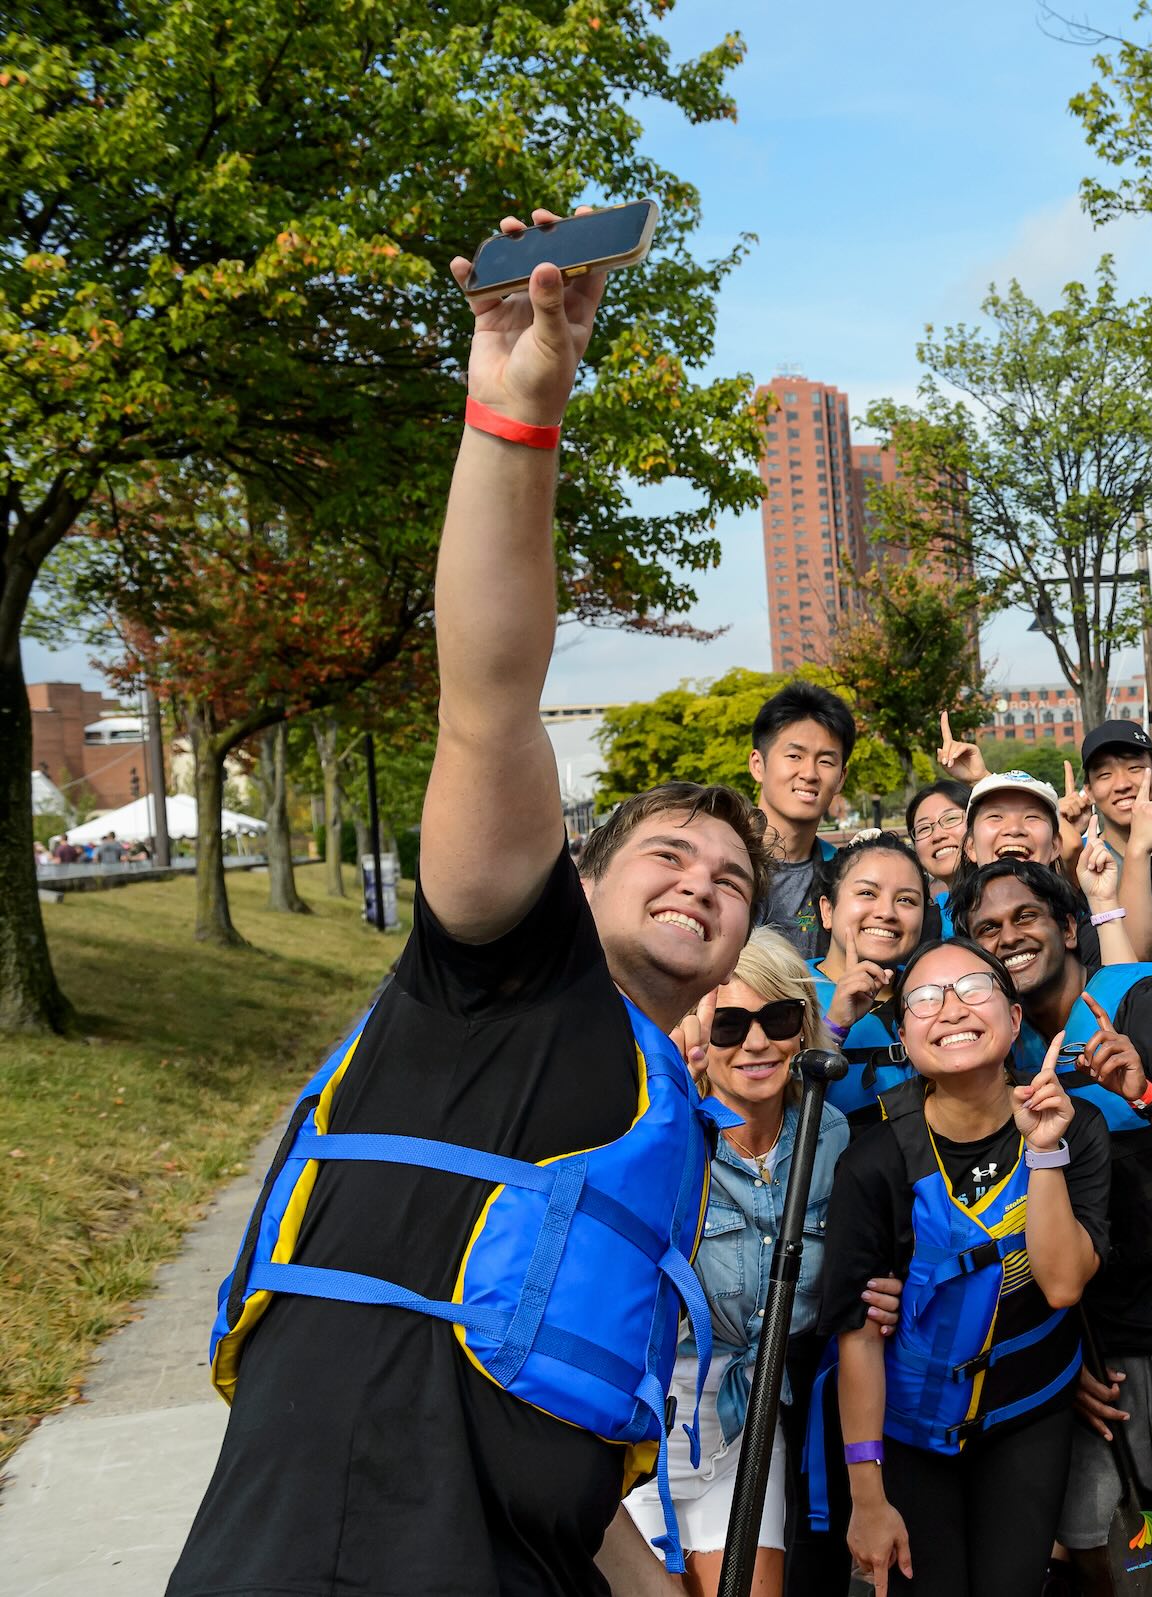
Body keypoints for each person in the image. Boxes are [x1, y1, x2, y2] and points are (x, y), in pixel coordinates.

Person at [177, 208, 766, 1597]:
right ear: (582, 879)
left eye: (734, 882)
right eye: (669, 857)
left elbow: (538, 1410)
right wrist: (516, 417)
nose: (703, 885)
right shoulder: (498, 968)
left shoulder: (655, 1095)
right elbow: (488, 705)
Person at [948, 859, 1152, 1597]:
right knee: (1101, 1547)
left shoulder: (1143, 998)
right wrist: (1063, 1356)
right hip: (1099, 1337)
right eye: (987, 930)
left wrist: (1151, 1095)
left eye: (1026, 916)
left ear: (1069, 927)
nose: (1010, 937)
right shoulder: (996, 1048)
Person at [820, 938, 1110, 1597]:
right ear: (903, 1036)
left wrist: (1044, 1153)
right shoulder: (873, 1159)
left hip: (1028, 1416)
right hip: (911, 1429)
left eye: (973, 989)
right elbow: (857, 1333)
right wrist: (867, 1497)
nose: (950, 1008)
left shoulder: (1075, 1126)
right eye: (925, 998)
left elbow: (1063, 1282)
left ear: (1013, 1020)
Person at [629, 936, 849, 1597]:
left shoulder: (830, 1134)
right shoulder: (660, 1133)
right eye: (730, 1023)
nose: (757, 1043)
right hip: (645, 1435)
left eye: (778, 1019)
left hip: (748, 1425)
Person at [809, 833, 935, 1122]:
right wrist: (835, 1027)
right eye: (867, 893)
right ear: (827, 910)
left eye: (906, 900)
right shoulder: (783, 991)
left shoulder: (937, 992)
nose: (887, 912)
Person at [754, 682, 856, 958]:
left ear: (841, 778)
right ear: (757, 765)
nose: (809, 773)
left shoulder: (846, 874)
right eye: (794, 756)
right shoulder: (718, 861)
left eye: (825, 761)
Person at [1078, 718, 1152, 960]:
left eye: (1135, 768)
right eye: (1104, 774)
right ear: (1090, 791)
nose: (1122, 784)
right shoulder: (1082, 862)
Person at [904, 780, 972, 919]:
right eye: (923, 828)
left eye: (951, 818)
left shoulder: (1016, 892)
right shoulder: (926, 922)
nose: (937, 835)